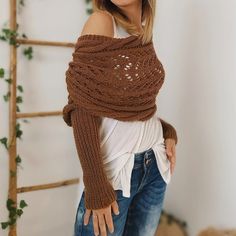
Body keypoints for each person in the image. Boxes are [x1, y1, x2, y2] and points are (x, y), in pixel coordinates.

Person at [63, 1, 178, 235]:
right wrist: (96, 186)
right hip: (113, 176)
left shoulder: (141, 28)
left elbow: (132, 103)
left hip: (154, 165)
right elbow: (82, 109)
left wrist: (165, 131)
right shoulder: (103, 22)